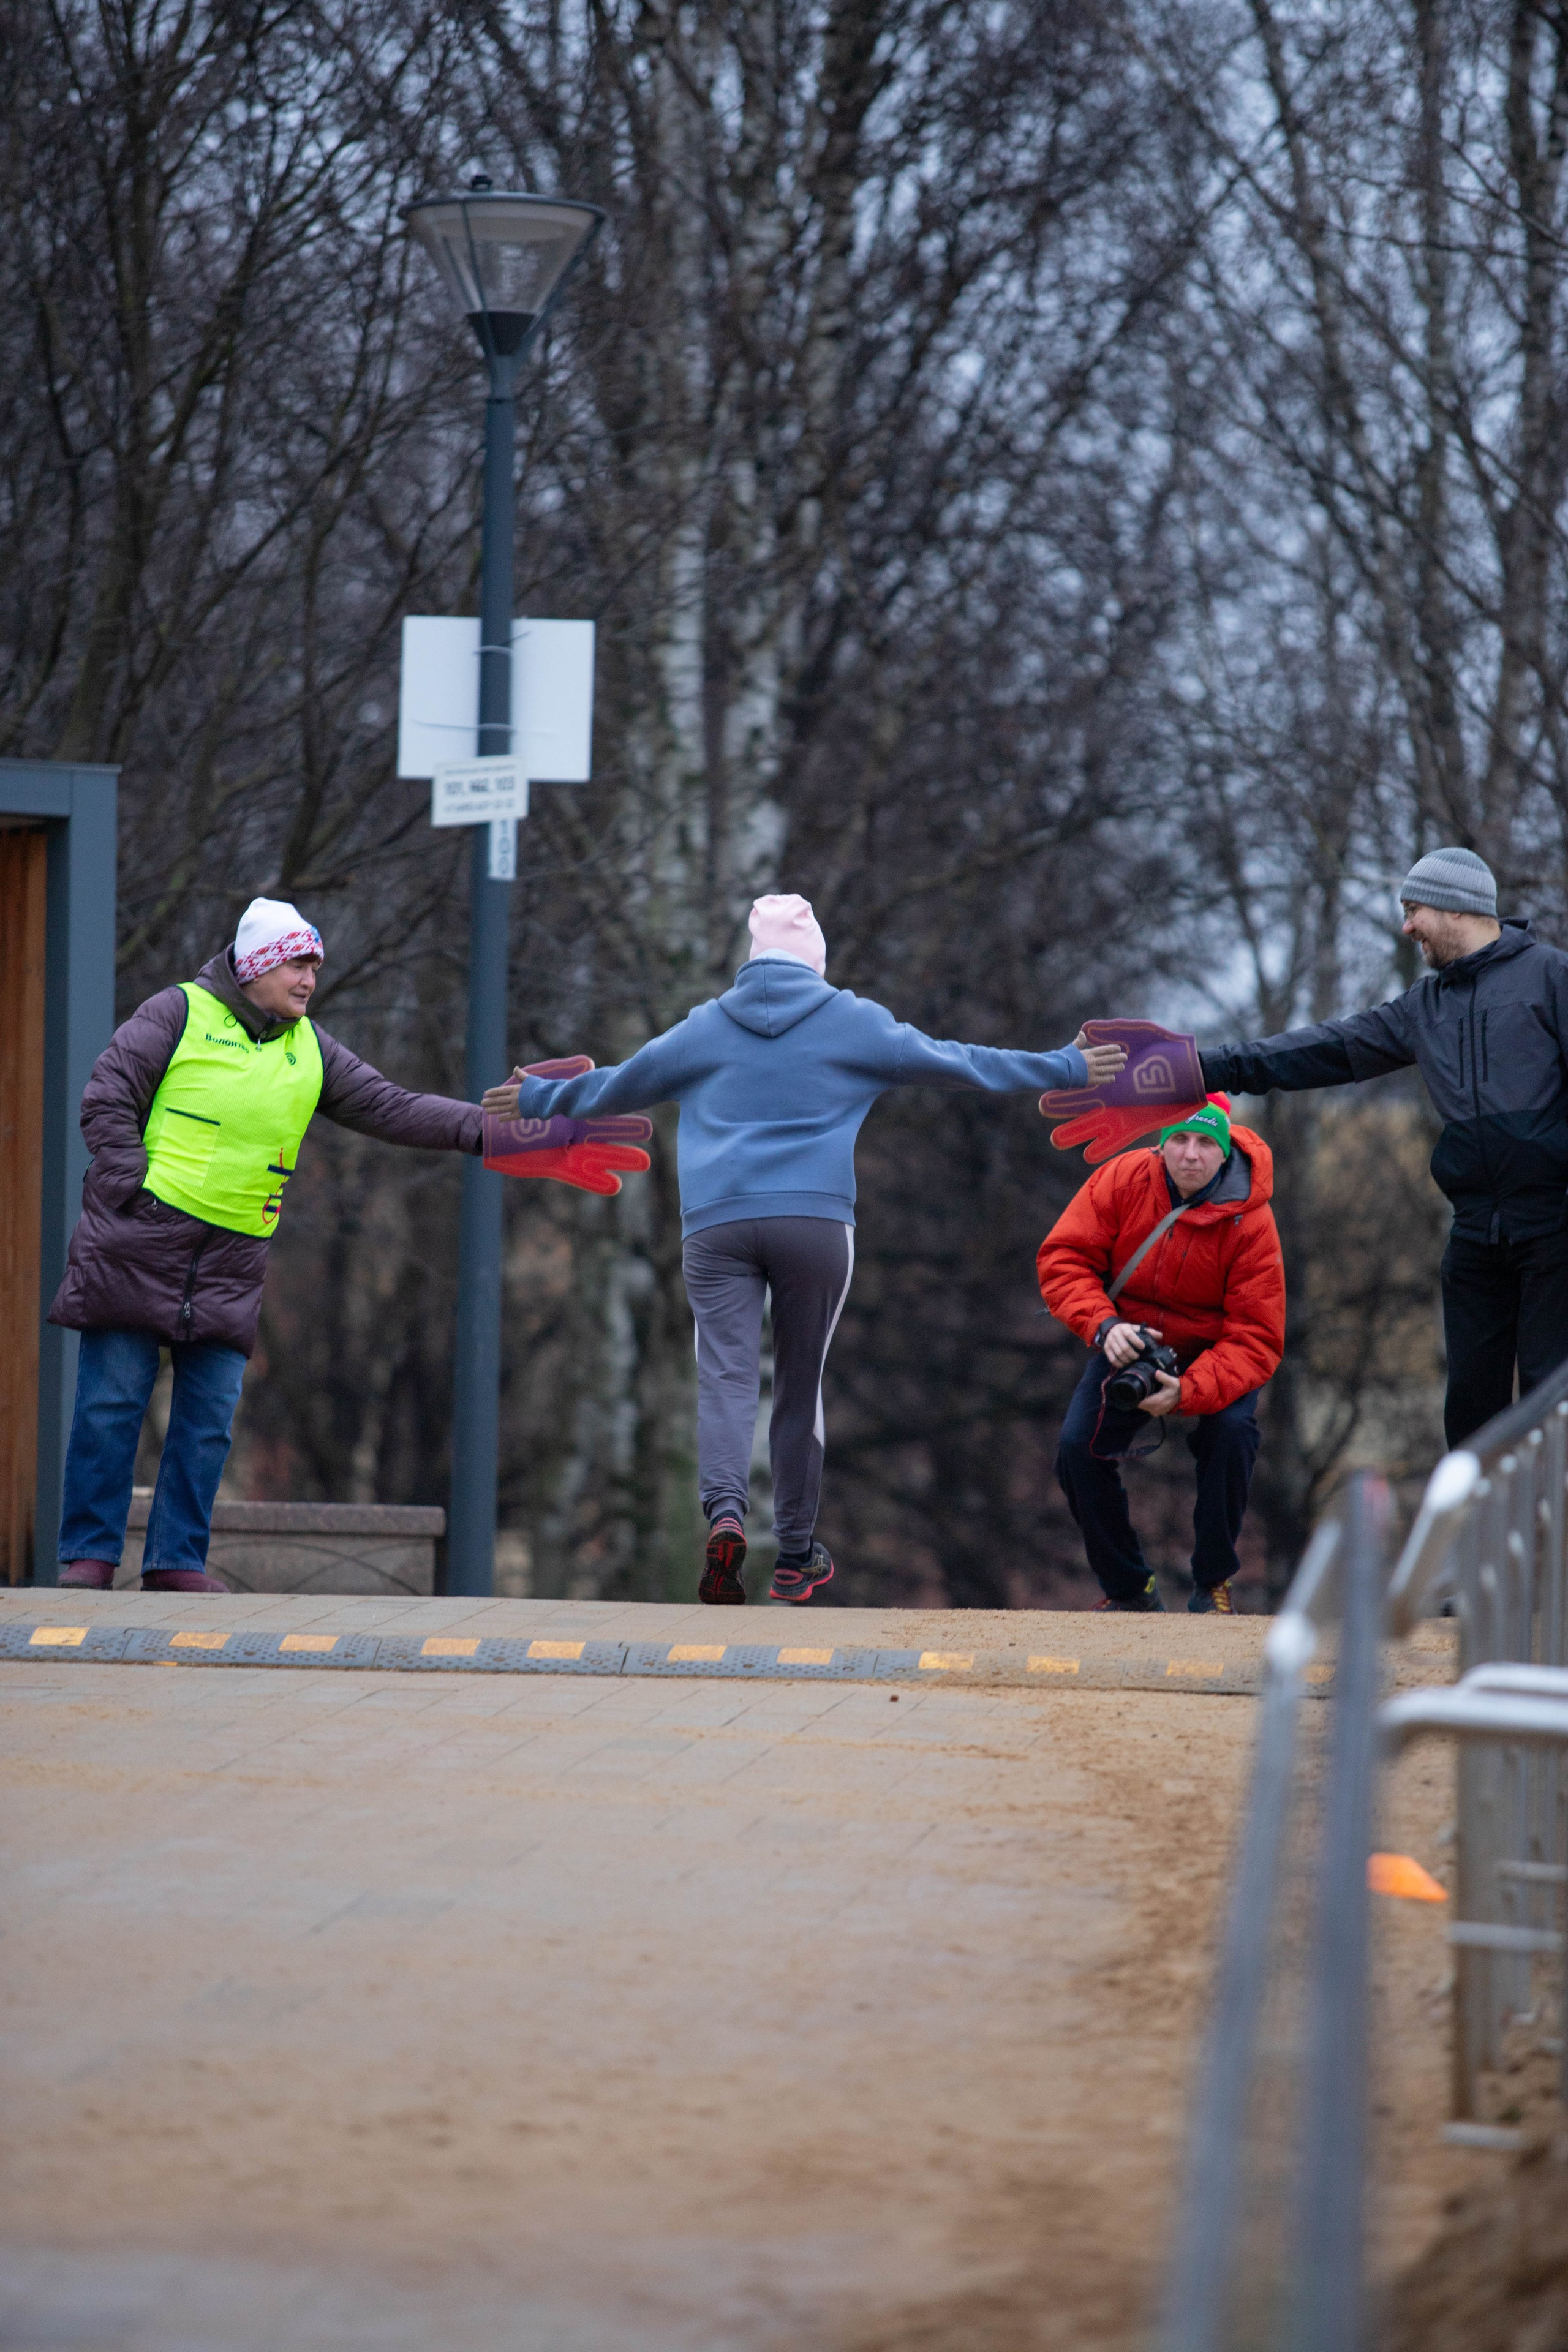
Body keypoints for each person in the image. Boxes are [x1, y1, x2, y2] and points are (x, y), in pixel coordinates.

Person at [481, 892, 1126, 1605]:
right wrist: (1066, 1068)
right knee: (798, 1385)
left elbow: (619, 1084)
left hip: (716, 1224)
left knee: (725, 1377)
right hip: (815, 1224)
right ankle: (793, 1553)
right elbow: (959, 1062)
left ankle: (725, 1514)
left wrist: (538, 1099)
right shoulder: (852, 1021)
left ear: (752, 958)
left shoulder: (705, 1027)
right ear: (814, 959)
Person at [47, 897, 582, 1594]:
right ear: (258, 965)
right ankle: (88, 1555)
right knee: (109, 1408)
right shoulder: (175, 1013)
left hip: (232, 1259)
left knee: (207, 1423)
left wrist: (494, 1129)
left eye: (315, 968)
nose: (309, 980)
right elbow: (107, 1095)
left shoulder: (312, 1048)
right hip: (138, 1240)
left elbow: (394, 1106)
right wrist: (132, 1185)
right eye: (298, 963)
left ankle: (176, 1561)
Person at [1198, 847, 1568, 1448]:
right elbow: (1313, 1051)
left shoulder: (1551, 978)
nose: (1406, 926)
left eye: (1413, 909)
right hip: (1475, 1233)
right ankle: (1469, 1536)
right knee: (1469, 1410)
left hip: (1553, 1227)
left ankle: (1552, 1533)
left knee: (1548, 1399)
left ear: (1454, 909)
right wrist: (1199, 1069)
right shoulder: (1422, 1008)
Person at [1038, 1098, 1285, 1612]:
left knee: (1232, 1434)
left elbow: (1256, 1336)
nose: (1190, 1155)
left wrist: (1188, 1392)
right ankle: (1129, 1588)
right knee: (1077, 1449)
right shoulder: (1123, 1179)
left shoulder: (1253, 1220)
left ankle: (1212, 1583)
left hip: (1218, 1353)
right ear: (1162, 1143)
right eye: (1179, 1140)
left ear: (1225, 1153)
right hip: (1131, 1339)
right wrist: (1104, 1326)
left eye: (1205, 1144)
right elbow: (1064, 1258)